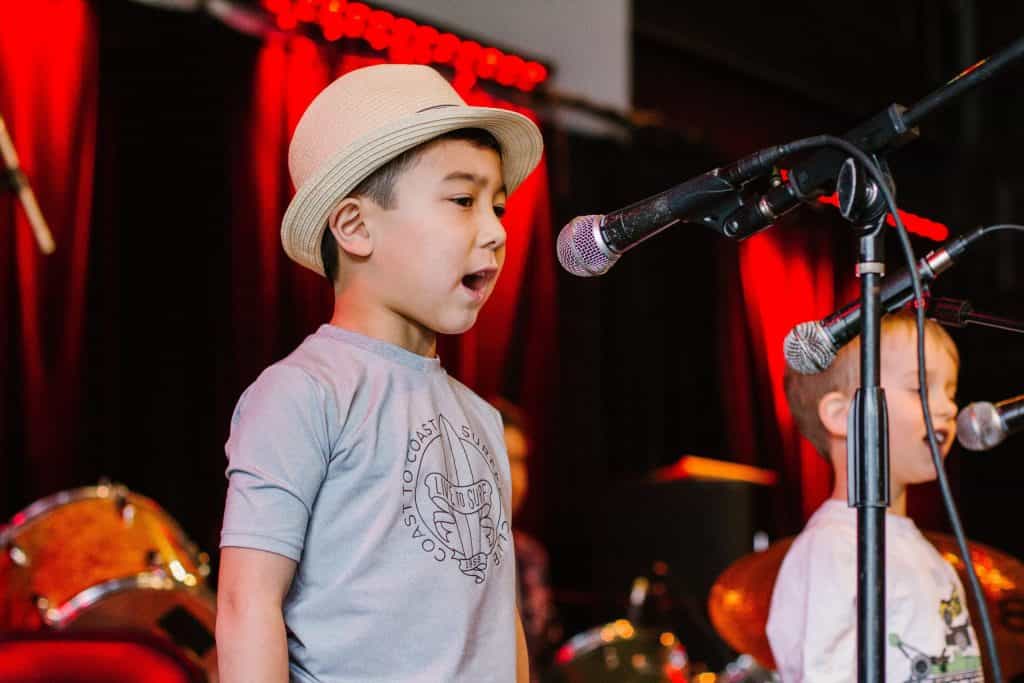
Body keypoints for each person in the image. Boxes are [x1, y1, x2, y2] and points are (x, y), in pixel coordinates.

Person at [215, 64, 544, 683]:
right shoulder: (302, 392)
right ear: (356, 227)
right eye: (462, 200)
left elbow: (500, 623)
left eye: (497, 206)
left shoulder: (482, 418)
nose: (497, 231)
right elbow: (245, 603)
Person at [766, 310, 984, 682]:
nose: (950, 409)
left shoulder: (921, 552)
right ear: (841, 414)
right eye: (921, 389)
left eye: (951, 393)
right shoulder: (834, 548)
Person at [492, 397, 562, 681]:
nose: (516, 476)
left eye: (520, 461)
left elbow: (545, 653)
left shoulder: (531, 555)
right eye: (505, 458)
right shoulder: (451, 551)